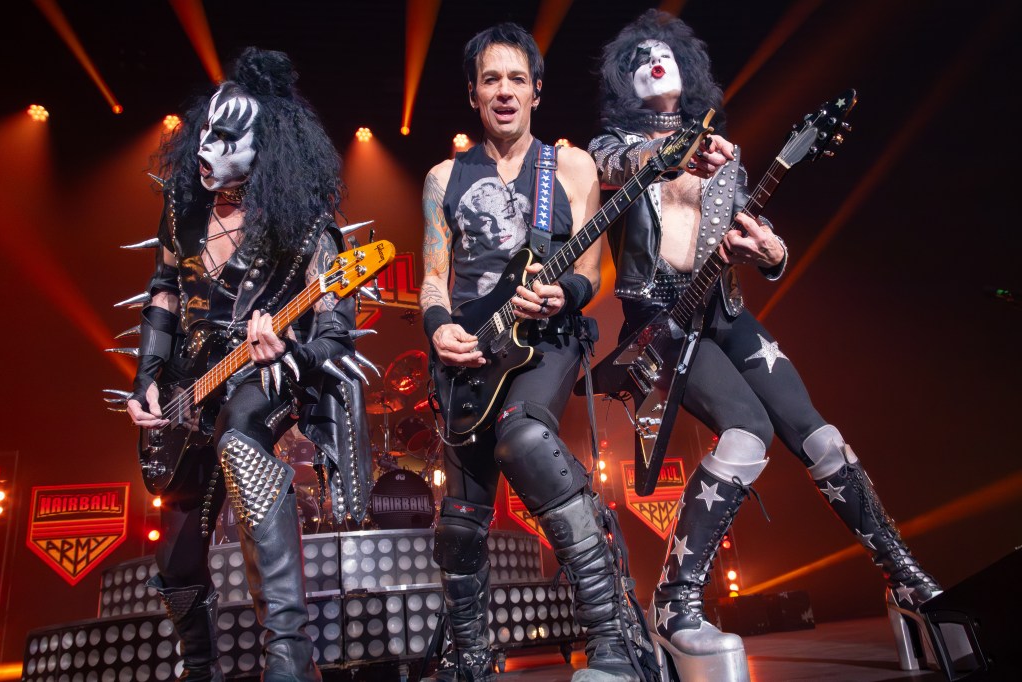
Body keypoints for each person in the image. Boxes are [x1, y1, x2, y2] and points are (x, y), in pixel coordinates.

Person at [588, 10, 944, 681]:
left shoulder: (727, 157)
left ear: (688, 68)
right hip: (660, 320)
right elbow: (618, 170)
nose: (655, 62)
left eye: (666, 54)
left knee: (821, 436)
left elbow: (757, 228)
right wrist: (671, 155)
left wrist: (773, 252)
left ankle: (904, 577)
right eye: (639, 59)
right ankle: (676, 602)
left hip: (724, 309)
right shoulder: (611, 148)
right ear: (623, 82)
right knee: (747, 433)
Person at [124, 47, 372, 682]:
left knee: (240, 435)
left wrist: (289, 349)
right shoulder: (181, 209)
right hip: (186, 391)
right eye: (206, 130)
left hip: (262, 376)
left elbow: (336, 338)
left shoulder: (305, 225)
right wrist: (147, 379)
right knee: (176, 556)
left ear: (267, 147)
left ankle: (289, 657)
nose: (207, 147)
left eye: (227, 138)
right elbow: (164, 291)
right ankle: (198, 666)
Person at [418, 23, 646, 682]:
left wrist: (562, 294)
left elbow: (593, 270)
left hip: (547, 338)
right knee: (459, 524)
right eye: (491, 79)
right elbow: (433, 274)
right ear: (473, 93)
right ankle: (470, 660)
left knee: (523, 438)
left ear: (536, 91)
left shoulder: (569, 167)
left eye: (517, 79)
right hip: (467, 359)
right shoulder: (442, 177)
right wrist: (438, 328)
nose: (504, 91)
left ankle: (613, 640)